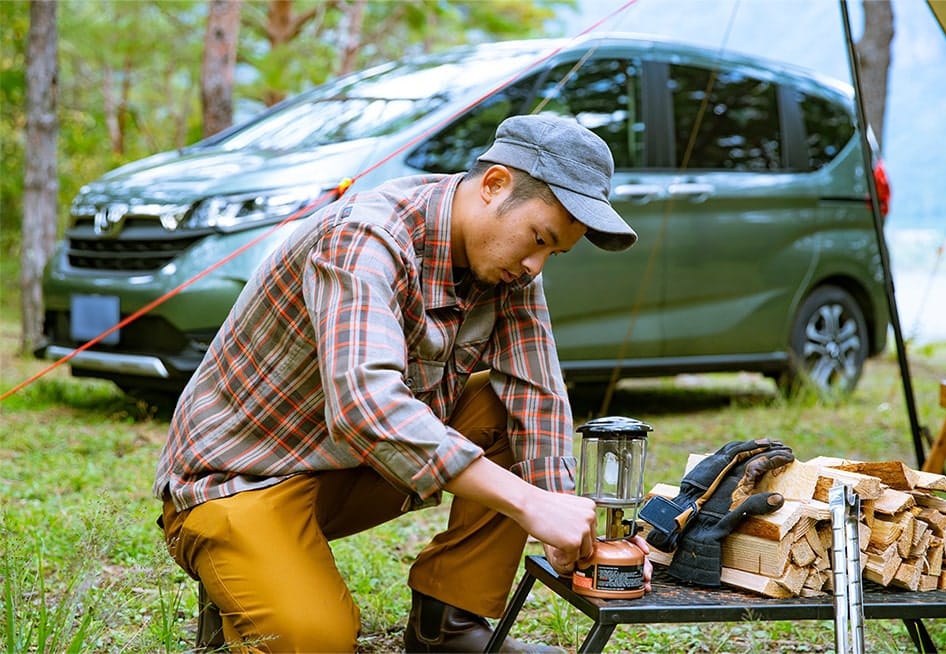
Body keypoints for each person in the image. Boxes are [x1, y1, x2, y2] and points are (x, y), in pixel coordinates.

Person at [153, 114, 648, 653]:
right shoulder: (364, 237)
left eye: (554, 254)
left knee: (501, 404)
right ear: (495, 184)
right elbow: (365, 406)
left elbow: (538, 394)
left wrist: (561, 513)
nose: (535, 265)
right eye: (539, 239)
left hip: (344, 469)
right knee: (312, 639)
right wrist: (528, 503)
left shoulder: (507, 265)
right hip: (242, 477)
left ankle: (448, 626)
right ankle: (244, 575)